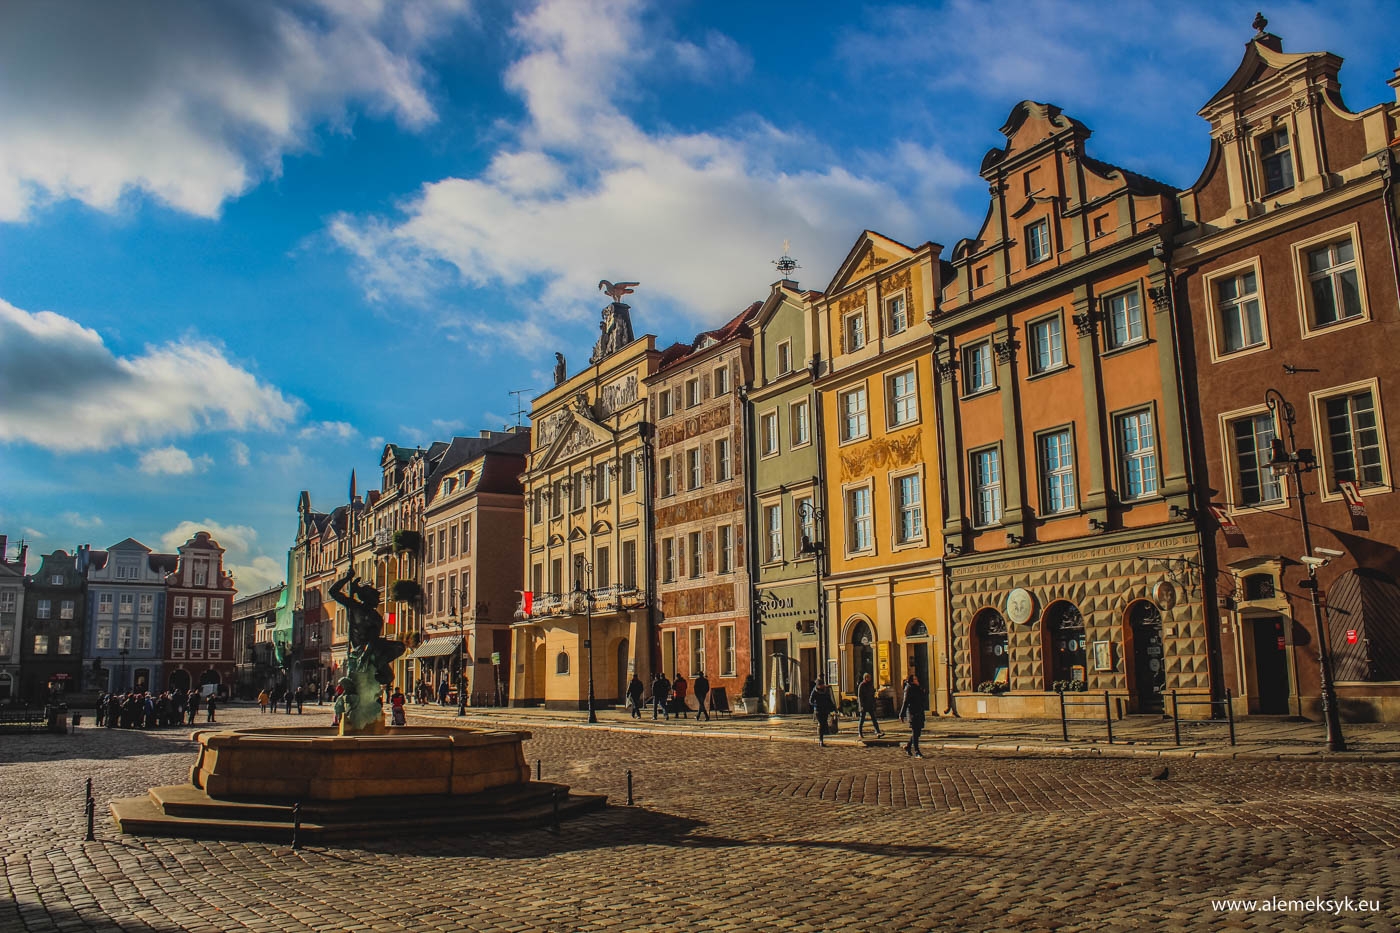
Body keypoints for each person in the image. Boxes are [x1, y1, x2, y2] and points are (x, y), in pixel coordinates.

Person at [898, 673, 926, 758]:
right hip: (913, 713)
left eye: (917, 679)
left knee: (917, 733)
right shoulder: (908, 688)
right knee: (915, 732)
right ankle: (917, 751)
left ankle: (908, 746)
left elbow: (922, 699)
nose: (917, 680)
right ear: (911, 680)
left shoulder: (918, 688)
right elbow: (905, 702)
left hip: (919, 712)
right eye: (915, 679)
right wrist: (901, 714)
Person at [857, 673, 886, 739]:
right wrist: (861, 706)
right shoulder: (862, 685)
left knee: (874, 719)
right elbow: (860, 697)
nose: (870, 679)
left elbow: (872, 694)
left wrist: (874, 702)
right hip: (864, 705)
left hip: (870, 704)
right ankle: (860, 733)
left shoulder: (870, 685)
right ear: (865, 678)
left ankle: (878, 732)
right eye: (869, 677)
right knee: (862, 719)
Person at [809, 679, 837, 747]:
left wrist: (833, 708)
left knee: (824, 724)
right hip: (818, 710)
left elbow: (829, 700)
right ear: (818, 685)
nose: (822, 686)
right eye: (820, 685)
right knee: (821, 724)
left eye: (822, 684)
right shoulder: (815, 691)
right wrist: (816, 704)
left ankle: (821, 739)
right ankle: (821, 740)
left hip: (825, 709)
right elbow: (811, 701)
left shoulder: (825, 691)